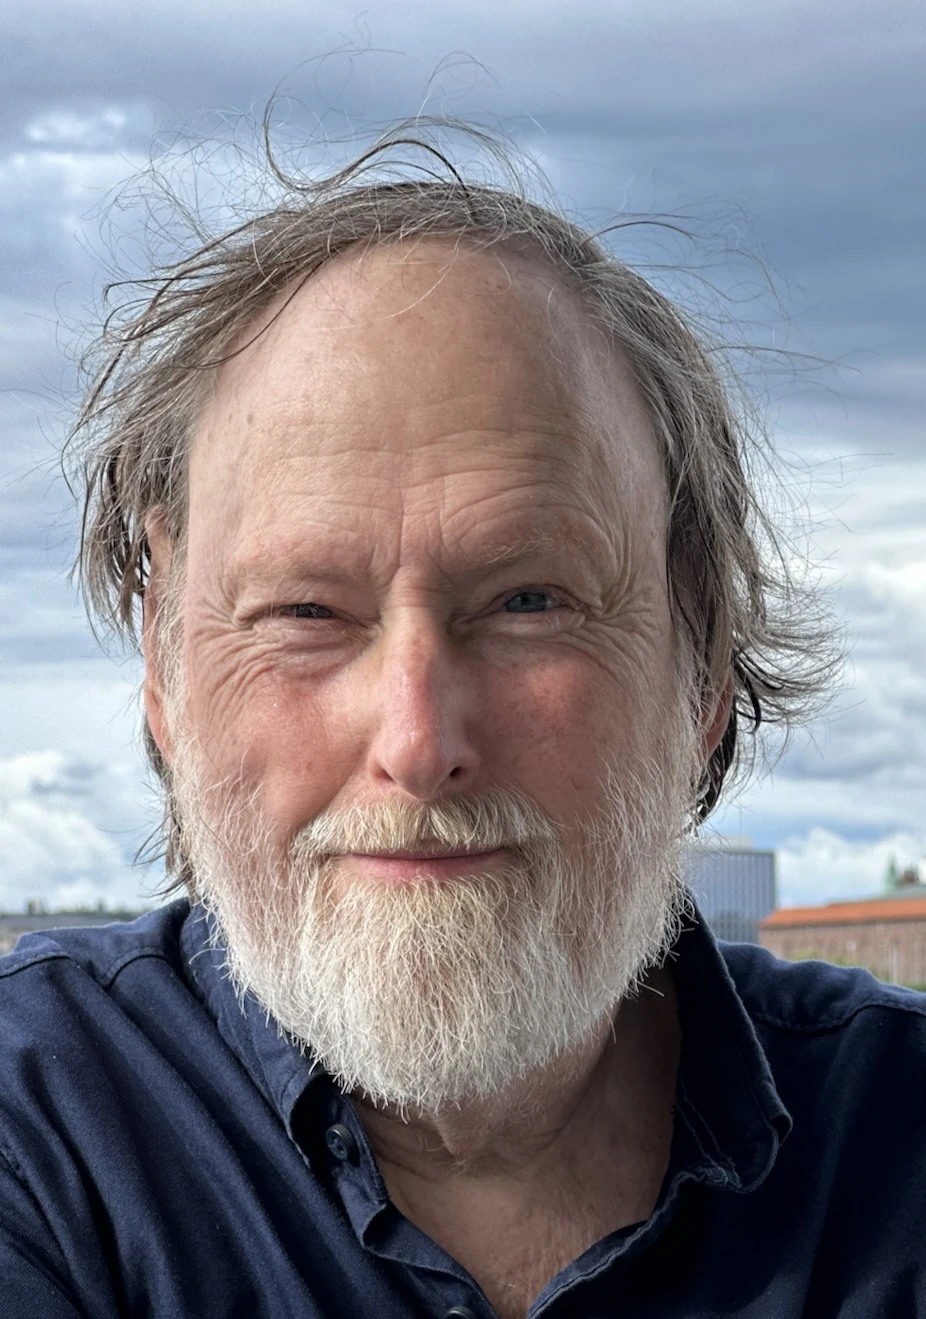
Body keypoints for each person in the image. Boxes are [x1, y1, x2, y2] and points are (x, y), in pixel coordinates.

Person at [1, 121, 923, 1319]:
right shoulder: (35, 1137)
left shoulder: (897, 1141)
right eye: (304, 611)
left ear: (700, 660)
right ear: (164, 669)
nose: (416, 741)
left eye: (528, 600)